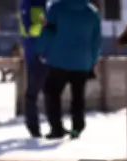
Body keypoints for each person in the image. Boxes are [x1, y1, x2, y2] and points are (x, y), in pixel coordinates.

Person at [36, 0, 102, 139]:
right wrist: (92, 60)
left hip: (59, 60)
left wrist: (40, 50)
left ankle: (57, 128)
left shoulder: (57, 8)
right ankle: (76, 129)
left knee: (52, 93)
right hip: (82, 62)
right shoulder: (92, 12)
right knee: (78, 97)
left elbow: (48, 31)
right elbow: (96, 40)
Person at [18, 0, 48, 138]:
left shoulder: (50, 3)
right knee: (33, 92)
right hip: (35, 53)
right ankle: (33, 127)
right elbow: (27, 30)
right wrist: (44, 26)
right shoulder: (27, 4)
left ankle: (56, 126)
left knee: (53, 92)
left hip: (51, 52)